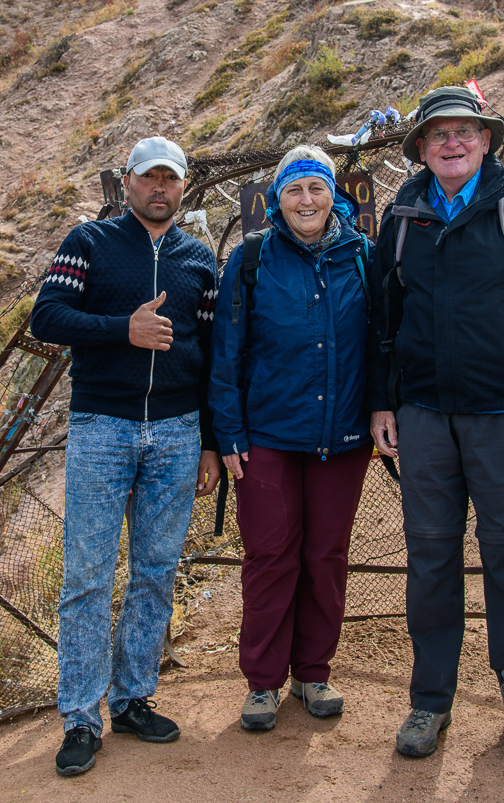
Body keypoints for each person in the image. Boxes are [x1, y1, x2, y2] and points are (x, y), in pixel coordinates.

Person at [367, 86, 504, 762]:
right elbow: (382, 319)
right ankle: (430, 700)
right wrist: (382, 402)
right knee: (430, 558)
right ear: (421, 148)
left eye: (465, 131)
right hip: (425, 418)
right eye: (439, 134)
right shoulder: (403, 217)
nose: (452, 143)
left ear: (486, 141)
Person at [30, 136, 222, 778]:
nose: (159, 188)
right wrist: (123, 329)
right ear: (129, 183)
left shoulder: (199, 258)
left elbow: (211, 354)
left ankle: (133, 698)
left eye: (171, 178)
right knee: (87, 576)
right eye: (149, 177)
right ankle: (80, 718)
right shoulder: (88, 242)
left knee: (155, 572)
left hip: (178, 431)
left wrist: (211, 441)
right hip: (102, 427)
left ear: (183, 186)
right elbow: (46, 317)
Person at [208, 146, 373, 732]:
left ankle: (312, 672)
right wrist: (227, 431)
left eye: (316, 188)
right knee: (271, 556)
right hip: (267, 437)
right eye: (294, 190)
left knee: (325, 557)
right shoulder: (252, 257)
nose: (306, 200)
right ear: (277, 200)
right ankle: (262, 682)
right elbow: (226, 350)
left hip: (343, 435)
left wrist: (382, 408)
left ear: (333, 195)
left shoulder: (362, 255)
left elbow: (383, 342)